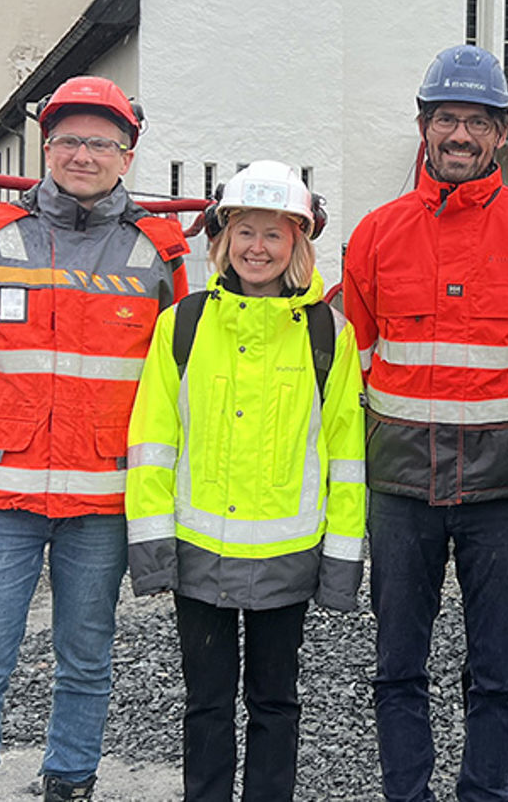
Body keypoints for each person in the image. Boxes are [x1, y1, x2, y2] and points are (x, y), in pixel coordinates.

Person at [0, 76, 189, 802]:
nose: (83, 154)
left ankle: (70, 780)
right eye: (70, 139)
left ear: (127, 156)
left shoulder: (157, 254)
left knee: (85, 657)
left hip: (103, 498)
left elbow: (173, 379)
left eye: (101, 142)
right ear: (48, 147)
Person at [342, 44, 508, 802]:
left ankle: (488, 793)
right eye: (446, 118)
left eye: (476, 121)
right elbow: (352, 362)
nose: (459, 135)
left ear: (502, 134)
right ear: (423, 127)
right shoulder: (376, 234)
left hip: (502, 494)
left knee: (497, 670)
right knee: (396, 667)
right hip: (401, 488)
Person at [125, 160, 366, 802]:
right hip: (200, 556)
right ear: (223, 239)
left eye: (273, 234)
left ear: (297, 245)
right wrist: (151, 548)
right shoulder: (182, 325)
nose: (257, 248)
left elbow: (346, 455)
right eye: (245, 232)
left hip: (287, 560)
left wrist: (341, 561)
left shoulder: (327, 336)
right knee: (205, 704)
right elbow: (153, 441)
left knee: (275, 703)